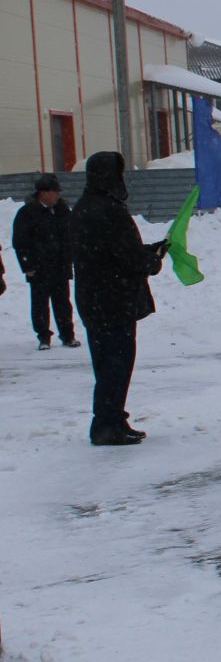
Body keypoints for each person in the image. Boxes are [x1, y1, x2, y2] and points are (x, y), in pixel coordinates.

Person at [71, 152, 170, 446]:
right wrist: (150, 261)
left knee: (106, 363)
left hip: (94, 297)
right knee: (116, 362)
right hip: (112, 299)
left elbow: (108, 251)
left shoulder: (84, 206)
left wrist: (146, 251)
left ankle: (111, 419)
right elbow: (124, 254)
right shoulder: (109, 209)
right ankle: (106, 424)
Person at [13, 174, 79, 350]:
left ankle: (67, 335)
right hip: (39, 268)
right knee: (40, 304)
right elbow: (20, 242)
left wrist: (71, 258)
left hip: (60, 266)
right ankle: (43, 337)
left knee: (63, 303)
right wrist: (27, 266)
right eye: (54, 192)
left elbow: (71, 234)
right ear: (43, 193)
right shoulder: (27, 213)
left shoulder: (62, 210)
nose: (57, 195)